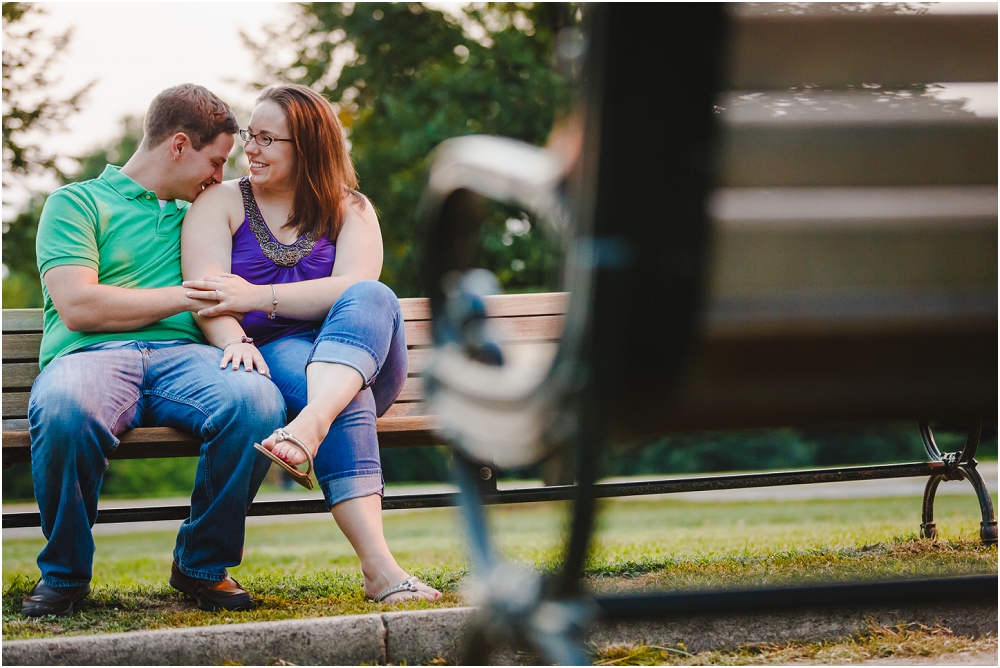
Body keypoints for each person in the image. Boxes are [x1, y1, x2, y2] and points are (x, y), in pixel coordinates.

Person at [23, 84, 285, 617]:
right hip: (90, 357)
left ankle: (200, 565)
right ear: (179, 145)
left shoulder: (203, 211)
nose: (219, 176)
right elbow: (79, 306)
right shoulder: (76, 203)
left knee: (259, 404)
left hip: (186, 361)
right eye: (214, 162)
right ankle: (66, 574)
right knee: (65, 409)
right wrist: (183, 296)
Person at [181, 84, 441, 603]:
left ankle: (309, 425)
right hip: (277, 354)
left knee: (372, 294)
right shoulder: (222, 202)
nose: (248, 149)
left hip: (365, 357)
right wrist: (234, 338)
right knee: (342, 400)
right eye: (250, 136)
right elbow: (207, 295)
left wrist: (258, 295)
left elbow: (353, 287)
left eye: (266, 138)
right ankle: (381, 570)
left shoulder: (352, 208)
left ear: (309, 147)